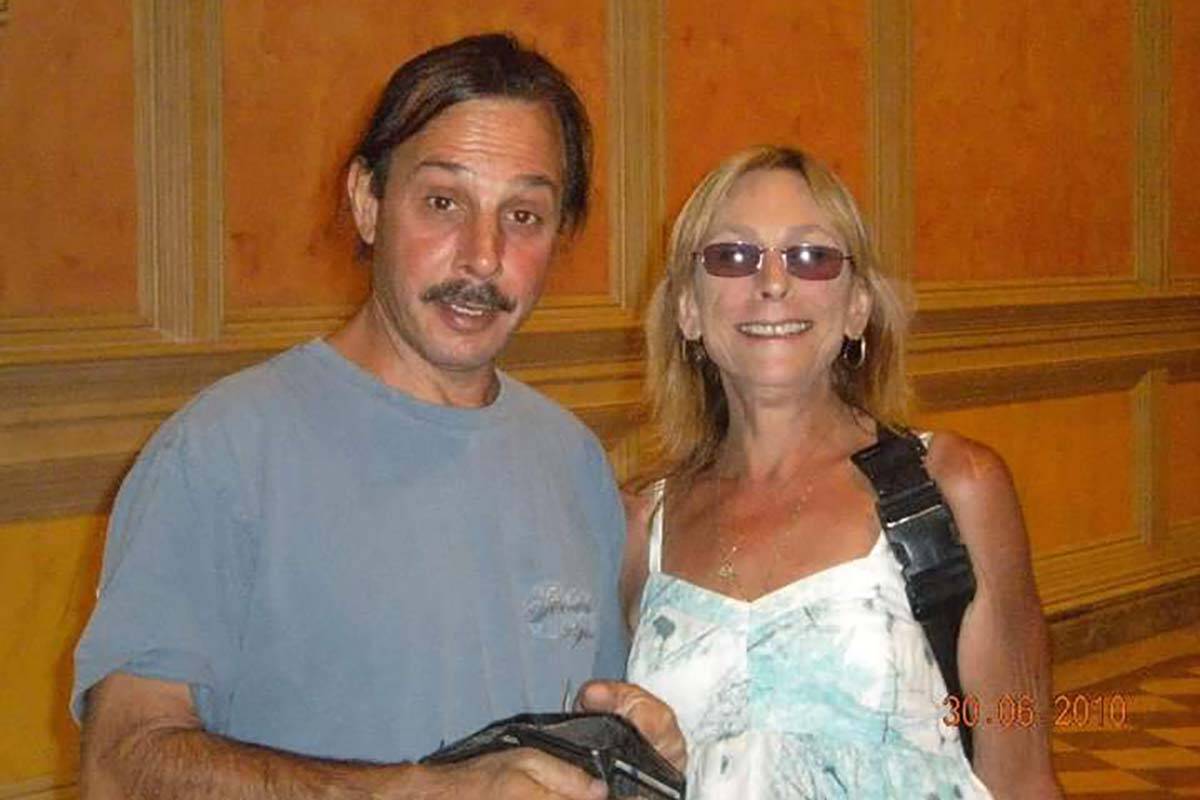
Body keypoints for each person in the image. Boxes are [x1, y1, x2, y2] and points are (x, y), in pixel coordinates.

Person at [72, 33, 683, 800]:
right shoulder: (223, 451)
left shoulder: (572, 461)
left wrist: (638, 750)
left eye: (523, 215)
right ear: (368, 202)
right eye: (442, 202)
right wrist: (417, 790)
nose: (483, 257)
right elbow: (121, 766)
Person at [621, 145, 1060, 798]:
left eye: (812, 257)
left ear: (857, 307)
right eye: (733, 256)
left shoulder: (955, 489)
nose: (773, 283)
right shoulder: (641, 527)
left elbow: (1021, 778)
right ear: (688, 308)